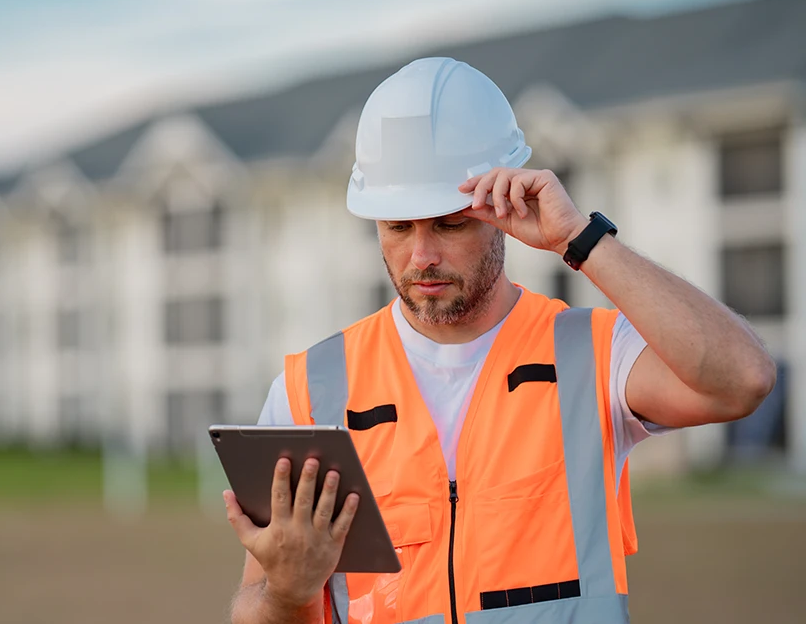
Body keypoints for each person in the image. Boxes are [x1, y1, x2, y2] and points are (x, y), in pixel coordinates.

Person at [223, 57, 775, 624]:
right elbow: (253, 608)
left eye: (450, 222)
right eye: (397, 227)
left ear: (503, 207)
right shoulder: (307, 392)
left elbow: (744, 379)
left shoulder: (593, 356)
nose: (421, 256)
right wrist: (287, 595)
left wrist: (581, 240)